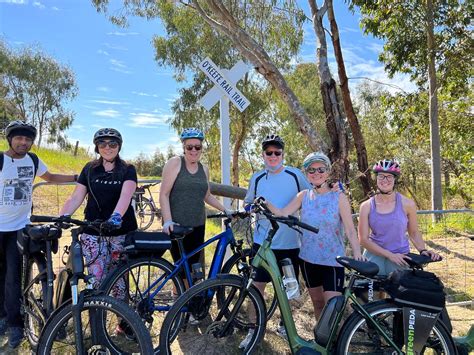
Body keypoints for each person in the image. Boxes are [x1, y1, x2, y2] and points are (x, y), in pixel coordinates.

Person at [0, 120, 77, 349]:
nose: (23, 142)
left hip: (19, 227)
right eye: (19, 138)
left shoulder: (33, 160)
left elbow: (50, 177)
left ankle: (16, 324)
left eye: (28, 139)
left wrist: (76, 177)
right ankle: (3, 316)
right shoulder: (1, 159)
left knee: (13, 276)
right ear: (10, 139)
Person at [263, 151, 364, 321]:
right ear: (306, 174)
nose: (316, 173)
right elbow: (283, 213)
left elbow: (350, 230)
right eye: (312, 170)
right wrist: (265, 202)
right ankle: (321, 343)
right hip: (308, 259)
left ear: (328, 172)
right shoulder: (304, 196)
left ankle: (335, 345)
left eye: (321, 169)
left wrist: (357, 253)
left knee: (332, 307)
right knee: (317, 303)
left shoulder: (338, 197)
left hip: (333, 260)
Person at [59, 128, 137, 312]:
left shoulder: (128, 169)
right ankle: (98, 322)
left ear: (119, 147)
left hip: (120, 233)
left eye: (112, 144)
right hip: (93, 233)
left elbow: (126, 196)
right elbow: (76, 196)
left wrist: (116, 217)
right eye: (102, 143)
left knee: (119, 281)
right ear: (97, 147)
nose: (107, 147)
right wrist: (63, 216)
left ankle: (124, 321)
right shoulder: (90, 169)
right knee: (96, 279)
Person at [242, 134, 311, 342]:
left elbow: (312, 195)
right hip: (263, 243)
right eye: (268, 152)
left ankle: (285, 326)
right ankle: (254, 329)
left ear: (283, 154)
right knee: (255, 288)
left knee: (290, 288)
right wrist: (251, 207)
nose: (273, 156)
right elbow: (247, 203)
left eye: (277, 152)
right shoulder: (257, 177)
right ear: (263, 154)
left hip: (290, 244)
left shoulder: (295, 174)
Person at [159, 127, 231, 274]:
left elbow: (207, 195)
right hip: (177, 225)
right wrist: (167, 221)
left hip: (198, 225)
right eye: (189, 147)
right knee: (180, 269)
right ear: (184, 147)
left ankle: (190, 296)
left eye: (197, 147)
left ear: (201, 148)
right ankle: (179, 295)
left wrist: (225, 210)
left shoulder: (203, 169)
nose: (193, 150)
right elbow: (164, 194)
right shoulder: (175, 163)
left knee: (193, 268)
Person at [358, 159, 441, 276]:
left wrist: (423, 250)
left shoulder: (407, 204)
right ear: (376, 178)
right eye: (381, 176)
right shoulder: (366, 206)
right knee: (370, 293)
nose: (385, 180)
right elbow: (363, 240)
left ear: (395, 179)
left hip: (400, 255)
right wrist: (389, 255)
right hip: (374, 255)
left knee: (399, 292)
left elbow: (414, 232)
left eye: (389, 177)